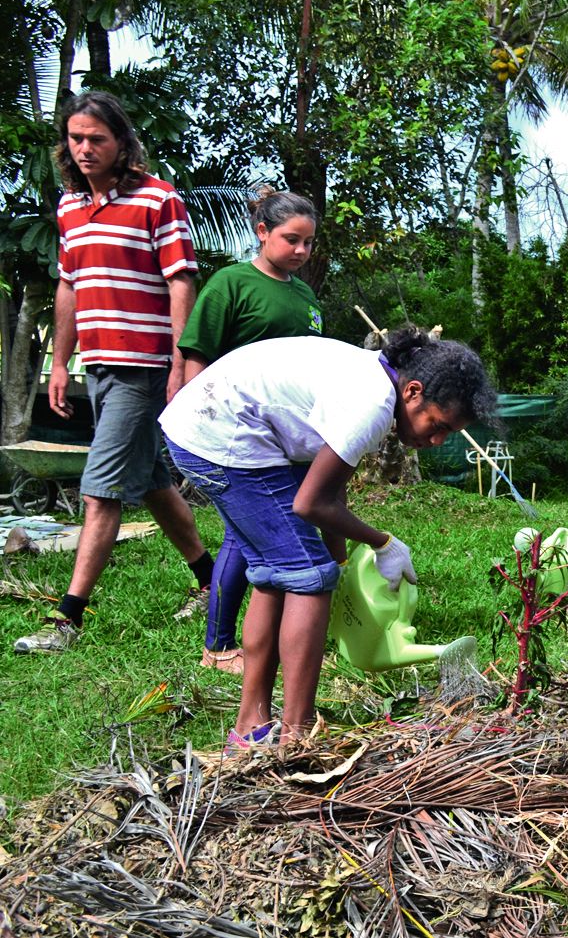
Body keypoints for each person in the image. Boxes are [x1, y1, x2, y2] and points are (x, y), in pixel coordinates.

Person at [160, 329, 498, 744]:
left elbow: (332, 487)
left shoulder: (373, 379)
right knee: (307, 575)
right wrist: (381, 542)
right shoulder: (371, 404)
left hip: (208, 428)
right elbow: (310, 504)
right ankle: (296, 736)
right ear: (413, 392)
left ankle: (252, 727)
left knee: (275, 573)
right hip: (220, 438)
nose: (436, 441)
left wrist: (339, 561)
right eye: (438, 425)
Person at [15, 91, 214, 655]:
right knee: (150, 480)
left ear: (122, 143)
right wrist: (59, 361)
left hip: (143, 366)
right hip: (98, 364)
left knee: (99, 490)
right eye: (76, 138)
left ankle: (67, 620)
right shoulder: (70, 208)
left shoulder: (158, 200)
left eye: (96, 139)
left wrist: (181, 360)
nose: (84, 149)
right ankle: (214, 578)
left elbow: (181, 281)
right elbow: (68, 285)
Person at [176, 188, 324, 676]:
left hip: (285, 436)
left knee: (252, 536)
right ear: (262, 232)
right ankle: (218, 645)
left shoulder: (304, 294)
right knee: (242, 537)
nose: (301, 251)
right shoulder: (230, 283)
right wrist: (197, 420)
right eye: (291, 239)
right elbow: (196, 353)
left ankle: (261, 636)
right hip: (236, 433)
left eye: (308, 242)